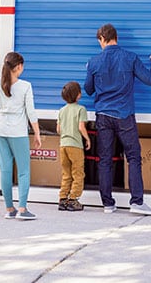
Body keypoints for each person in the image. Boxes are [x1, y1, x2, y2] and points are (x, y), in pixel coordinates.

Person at [84, 23, 151, 216]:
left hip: (103, 116)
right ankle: (136, 202)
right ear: (115, 37)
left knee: (105, 160)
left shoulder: (94, 62)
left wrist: (89, 70)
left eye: (99, 41)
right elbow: (150, 80)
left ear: (102, 38)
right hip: (125, 116)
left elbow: (89, 89)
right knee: (133, 157)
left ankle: (108, 204)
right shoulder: (130, 58)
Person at [0, 52, 42, 220]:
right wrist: (37, 133)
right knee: (24, 171)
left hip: (0, 131)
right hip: (18, 132)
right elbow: (31, 112)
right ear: (18, 67)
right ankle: (23, 209)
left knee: (5, 170)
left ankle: (10, 209)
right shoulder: (25, 86)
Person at [56, 81, 91, 212]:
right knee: (78, 173)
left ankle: (63, 198)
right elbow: (81, 127)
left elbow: (58, 129)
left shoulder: (61, 110)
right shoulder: (81, 109)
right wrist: (87, 139)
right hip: (75, 146)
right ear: (78, 96)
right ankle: (73, 199)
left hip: (63, 145)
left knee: (66, 173)